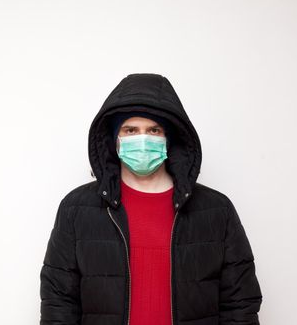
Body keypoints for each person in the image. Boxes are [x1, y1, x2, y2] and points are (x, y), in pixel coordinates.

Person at [39, 73, 263, 325]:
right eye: (131, 130)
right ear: (115, 140)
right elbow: (58, 302)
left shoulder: (216, 210)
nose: (143, 139)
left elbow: (240, 303)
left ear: (169, 138)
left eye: (153, 130)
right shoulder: (76, 209)